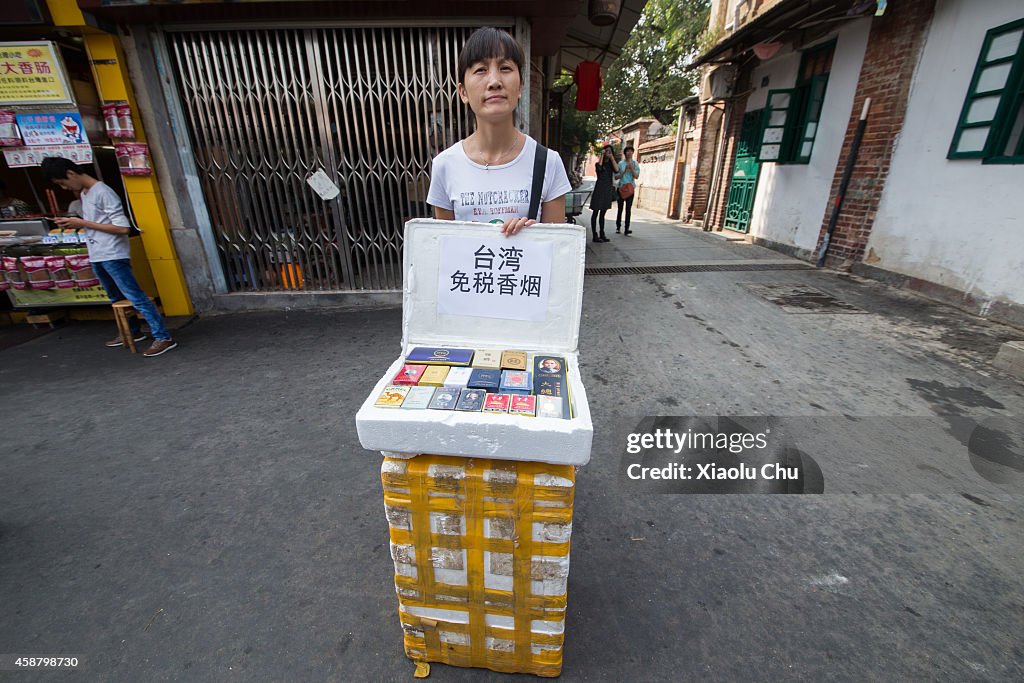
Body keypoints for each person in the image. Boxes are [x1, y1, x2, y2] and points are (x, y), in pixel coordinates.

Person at [427, 27, 571, 235]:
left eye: (505, 68)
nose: (494, 82)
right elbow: (446, 253)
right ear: (463, 92)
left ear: (521, 86)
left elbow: (558, 255)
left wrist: (535, 238)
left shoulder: (548, 163)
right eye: (480, 70)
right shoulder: (445, 165)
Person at [40, 157, 177, 357]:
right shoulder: (86, 194)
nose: (64, 188)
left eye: (62, 183)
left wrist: (83, 223)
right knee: (116, 297)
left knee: (135, 297)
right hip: (98, 253)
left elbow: (122, 228)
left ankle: (163, 336)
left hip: (113, 253)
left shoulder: (103, 192)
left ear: (71, 173)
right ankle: (133, 332)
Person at [589, 145, 616, 243]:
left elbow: (617, 170)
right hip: (599, 189)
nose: (608, 153)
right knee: (595, 212)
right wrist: (602, 155)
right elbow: (599, 168)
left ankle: (602, 234)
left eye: (610, 151)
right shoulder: (598, 164)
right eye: (607, 151)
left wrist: (612, 158)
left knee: (603, 213)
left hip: (607, 190)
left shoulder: (611, 165)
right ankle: (594, 235)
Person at [614, 145, 640, 235]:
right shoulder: (621, 164)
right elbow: (616, 176)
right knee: (620, 209)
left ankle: (626, 228)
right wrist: (624, 171)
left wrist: (632, 169)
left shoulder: (635, 164)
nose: (629, 153)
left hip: (630, 188)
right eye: (627, 151)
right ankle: (618, 227)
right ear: (625, 153)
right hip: (621, 188)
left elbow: (636, 176)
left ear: (633, 153)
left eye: (631, 151)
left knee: (628, 209)